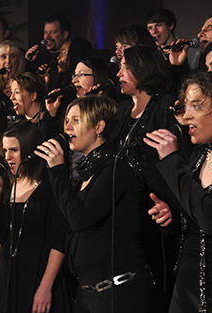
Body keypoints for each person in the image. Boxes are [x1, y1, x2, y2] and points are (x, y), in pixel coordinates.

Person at [40, 95, 154, 313]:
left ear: (99, 126)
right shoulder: (87, 171)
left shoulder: (115, 168)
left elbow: (80, 218)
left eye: (76, 120)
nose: (68, 127)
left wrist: (57, 170)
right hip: (89, 293)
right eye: (66, 121)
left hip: (118, 294)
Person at [111, 44, 189, 312]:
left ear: (143, 69)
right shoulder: (122, 111)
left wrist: (173, 207)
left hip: (158, 214)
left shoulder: (165, 105)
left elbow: (179, 161)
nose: (119, 72)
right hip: (126, 214)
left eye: (125, 67)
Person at [0, 120, 72, 313]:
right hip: (8, 277)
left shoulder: (50, 185)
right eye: (5, 150)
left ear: (30, 150)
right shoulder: (7, 183)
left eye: (13, 150)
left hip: (40, 275)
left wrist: (46, 286)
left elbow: (59, 240)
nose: (7, 157)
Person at [144, 71, 212, 313]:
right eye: (186, 106)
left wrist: (172, 161)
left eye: (197, 106)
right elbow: (194, 213)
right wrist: (173, 212)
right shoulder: (199, 156)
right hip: (187, 284)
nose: (186, 115)